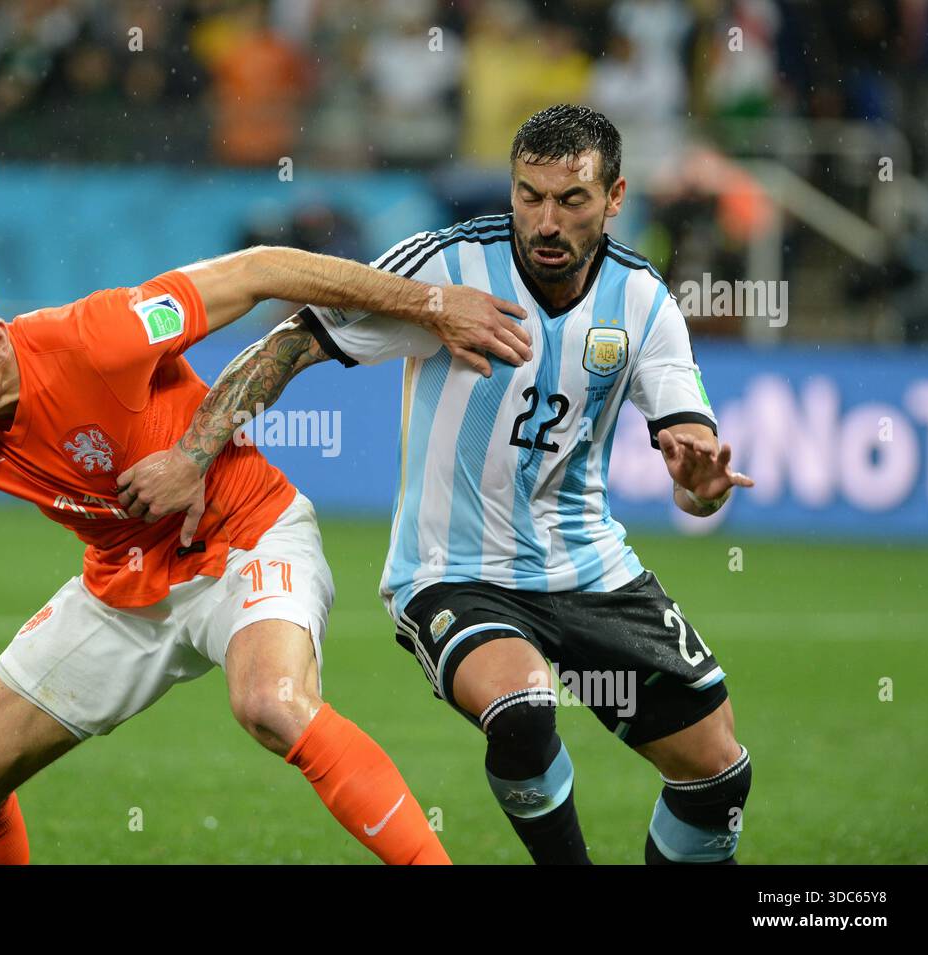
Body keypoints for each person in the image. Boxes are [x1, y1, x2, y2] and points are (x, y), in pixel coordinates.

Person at [119, 105, 755, 865]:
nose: (545, 221)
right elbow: (290, 344)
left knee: (716, 775)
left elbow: (696, 475)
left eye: (572, 200)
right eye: (529, 195)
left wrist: (701, 485)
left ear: (616, 198)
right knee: (523, 711)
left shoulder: (645, 301)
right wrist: (193, 454)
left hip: (588, 570)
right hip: (451, 572)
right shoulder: (447, 269)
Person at [0, 245, 530, 865]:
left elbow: (260, 270)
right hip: (124, 585)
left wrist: (432, 302)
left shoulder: (98, 336)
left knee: (271, 702)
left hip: (247, 537)